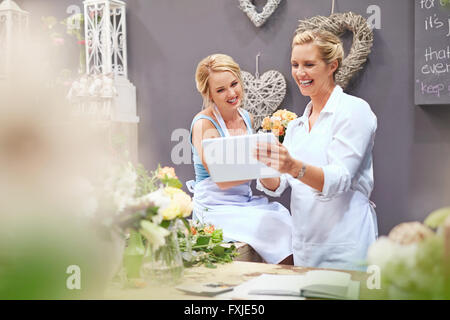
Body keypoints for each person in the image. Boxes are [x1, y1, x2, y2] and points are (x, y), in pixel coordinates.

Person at [255, 30, 378, 271]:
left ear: (332, 66)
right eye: (295, 64)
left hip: (347, 246)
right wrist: (262, 164)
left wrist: (291, 165)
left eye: (309, 64)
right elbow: (277, 185)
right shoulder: (297, 126)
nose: (300, 73)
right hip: (305, 248)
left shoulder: (354, 111)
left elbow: (339, 178)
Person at [186, 53, 293, 265]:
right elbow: (222, 179)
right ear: (209, 94)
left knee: (284, 217)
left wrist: (271, 162)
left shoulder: (246, 117)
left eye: (234, 84)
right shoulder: (204, 125)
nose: (232, 93)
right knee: (274, 225)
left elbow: (258, 175)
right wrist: (262, 160)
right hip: (215, 208)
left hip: (243, 202)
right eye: (221, 90)